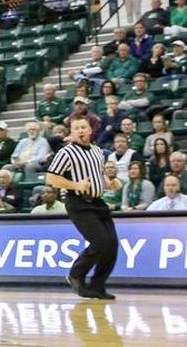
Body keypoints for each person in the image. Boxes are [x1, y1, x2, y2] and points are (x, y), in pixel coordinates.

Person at [46, 118, 121, 300]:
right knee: (100, 243)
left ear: (90, 130)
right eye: (76, 128)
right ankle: (75, 275)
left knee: (112, 246)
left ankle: (97, 286)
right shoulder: (66, 152)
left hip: (97, 202)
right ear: (72, 132)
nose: (80, 130)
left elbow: (98, 175)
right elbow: (51, 179)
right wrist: (75, 184)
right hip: (78, 203)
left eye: (83, 127)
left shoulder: (97, 151)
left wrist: (109, 184)